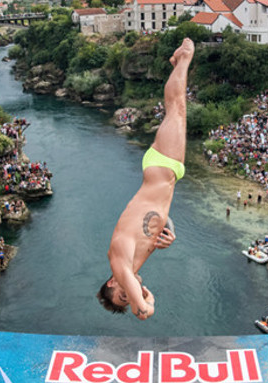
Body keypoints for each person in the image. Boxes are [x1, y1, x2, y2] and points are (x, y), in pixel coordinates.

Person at [97, 38, 194, 320]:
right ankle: (179, 64)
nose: (130, 294)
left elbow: (143, 313)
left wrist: (146, 298)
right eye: (127, 298)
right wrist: (166, 234)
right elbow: (152, 217)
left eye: (122, 295)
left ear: (112, 282)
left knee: (176, 106)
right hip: (165, 174)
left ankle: (184, 57)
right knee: (176, 108)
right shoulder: (133, 260)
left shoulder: (120, 265)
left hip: (161, 170)